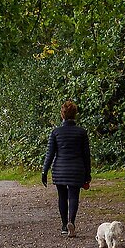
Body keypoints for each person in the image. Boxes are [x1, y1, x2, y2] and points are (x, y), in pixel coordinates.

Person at [42, 100, 91, 237]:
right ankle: (71, 221)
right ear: (75, 114)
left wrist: (44, 171)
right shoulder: (81, 132)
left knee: (62, 197)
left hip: (60, 169)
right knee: (74, 196)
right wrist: (88, 174)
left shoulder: (56, 132)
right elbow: (86, 155)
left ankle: (64, 225)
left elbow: (50, 153)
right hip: (76, 169)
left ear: (62, 115)